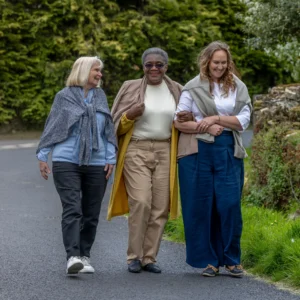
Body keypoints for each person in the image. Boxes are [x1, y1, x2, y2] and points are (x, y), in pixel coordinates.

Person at [107, 47, 192, 274]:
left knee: (160, 206)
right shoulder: (130, 87)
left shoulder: (178, 90)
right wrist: (129, 116)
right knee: (142, 202)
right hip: (136, 148)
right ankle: (133, 256)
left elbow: (189, 120)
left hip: (166, 149)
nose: (154, 68)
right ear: (142, 67)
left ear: (166, 67)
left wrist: (187, 117)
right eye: (149, 65)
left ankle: (149, 257)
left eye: (159, 65)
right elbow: (115, 123)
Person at [174, 41, 252, 277]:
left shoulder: (238, 87)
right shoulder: (192, 87)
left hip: (228, 148)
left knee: (229, 205)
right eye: (215, 62)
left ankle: (231, 259)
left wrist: (216, 118)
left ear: (228, 63)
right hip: (199, 151)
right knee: (201, 206)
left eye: (223, 62)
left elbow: (243, 120)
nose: (219, 66)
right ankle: (209, 261)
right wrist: (204, 127)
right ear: (206, 62)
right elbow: (178, 121)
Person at [36, 56, 117, 275]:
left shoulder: (100, 96)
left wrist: (111, 158)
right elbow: (53, 126)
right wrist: (43, 156)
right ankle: (72, 256)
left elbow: (107, 129)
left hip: (97, 162)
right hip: (66, 161)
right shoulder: (63, 97)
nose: (100, 75)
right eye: (96, 70)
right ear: (83, 71)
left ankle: (84, 256)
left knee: (91, 212)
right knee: (72, 208)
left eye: (100, 71)